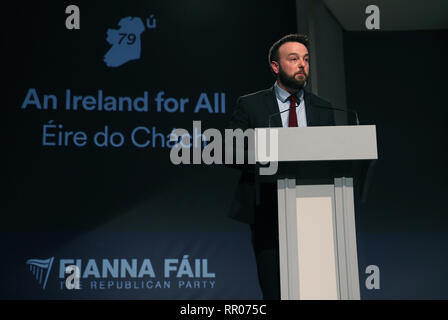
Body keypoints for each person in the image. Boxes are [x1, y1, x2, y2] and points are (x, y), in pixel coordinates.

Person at [227, 34, 338, 299]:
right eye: (294, 59)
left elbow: (335, 155)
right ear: (276, 67)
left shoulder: (324, 109)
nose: (302, 65)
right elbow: (230, 151)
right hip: (268, 210)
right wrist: (271, 157)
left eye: (306, 60)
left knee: (314, 290)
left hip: (315, 211)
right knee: (275, 291)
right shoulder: (251, 104)